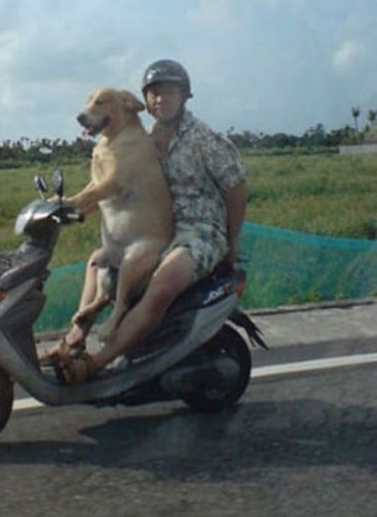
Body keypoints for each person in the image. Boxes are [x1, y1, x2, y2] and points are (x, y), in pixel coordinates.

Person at [43, 59, 248, 384]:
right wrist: (76, 212)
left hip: (200, 231)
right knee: (96, 264)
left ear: (184, 96)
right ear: (144, 102)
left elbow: (236, 188)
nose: (160, 100)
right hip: (160, 226)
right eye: (153, 94)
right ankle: (73, 342)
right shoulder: (145, 140)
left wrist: (232, 240)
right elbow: (126, 190)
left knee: (162, 284)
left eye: (168, 92)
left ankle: (98, 365)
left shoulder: (204, 139)